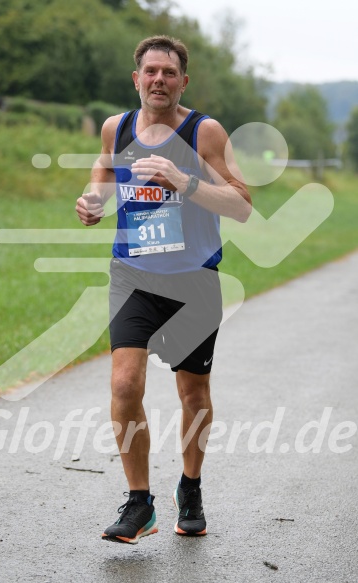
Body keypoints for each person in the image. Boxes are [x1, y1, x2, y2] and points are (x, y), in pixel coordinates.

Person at [76, 35, 252, 544]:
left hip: (193, 281)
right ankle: (139, 503)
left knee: (192, 392)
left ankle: (190, 488)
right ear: (136, 79)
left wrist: (186, 181)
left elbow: (241, 204)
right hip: (133, 274)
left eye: (169, 73)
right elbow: (103, 175)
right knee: (125, 385)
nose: (158, 80)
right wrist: (91, 201)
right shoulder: (119, 127)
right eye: (150, 72)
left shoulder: (204, 132)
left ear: (183, 81)